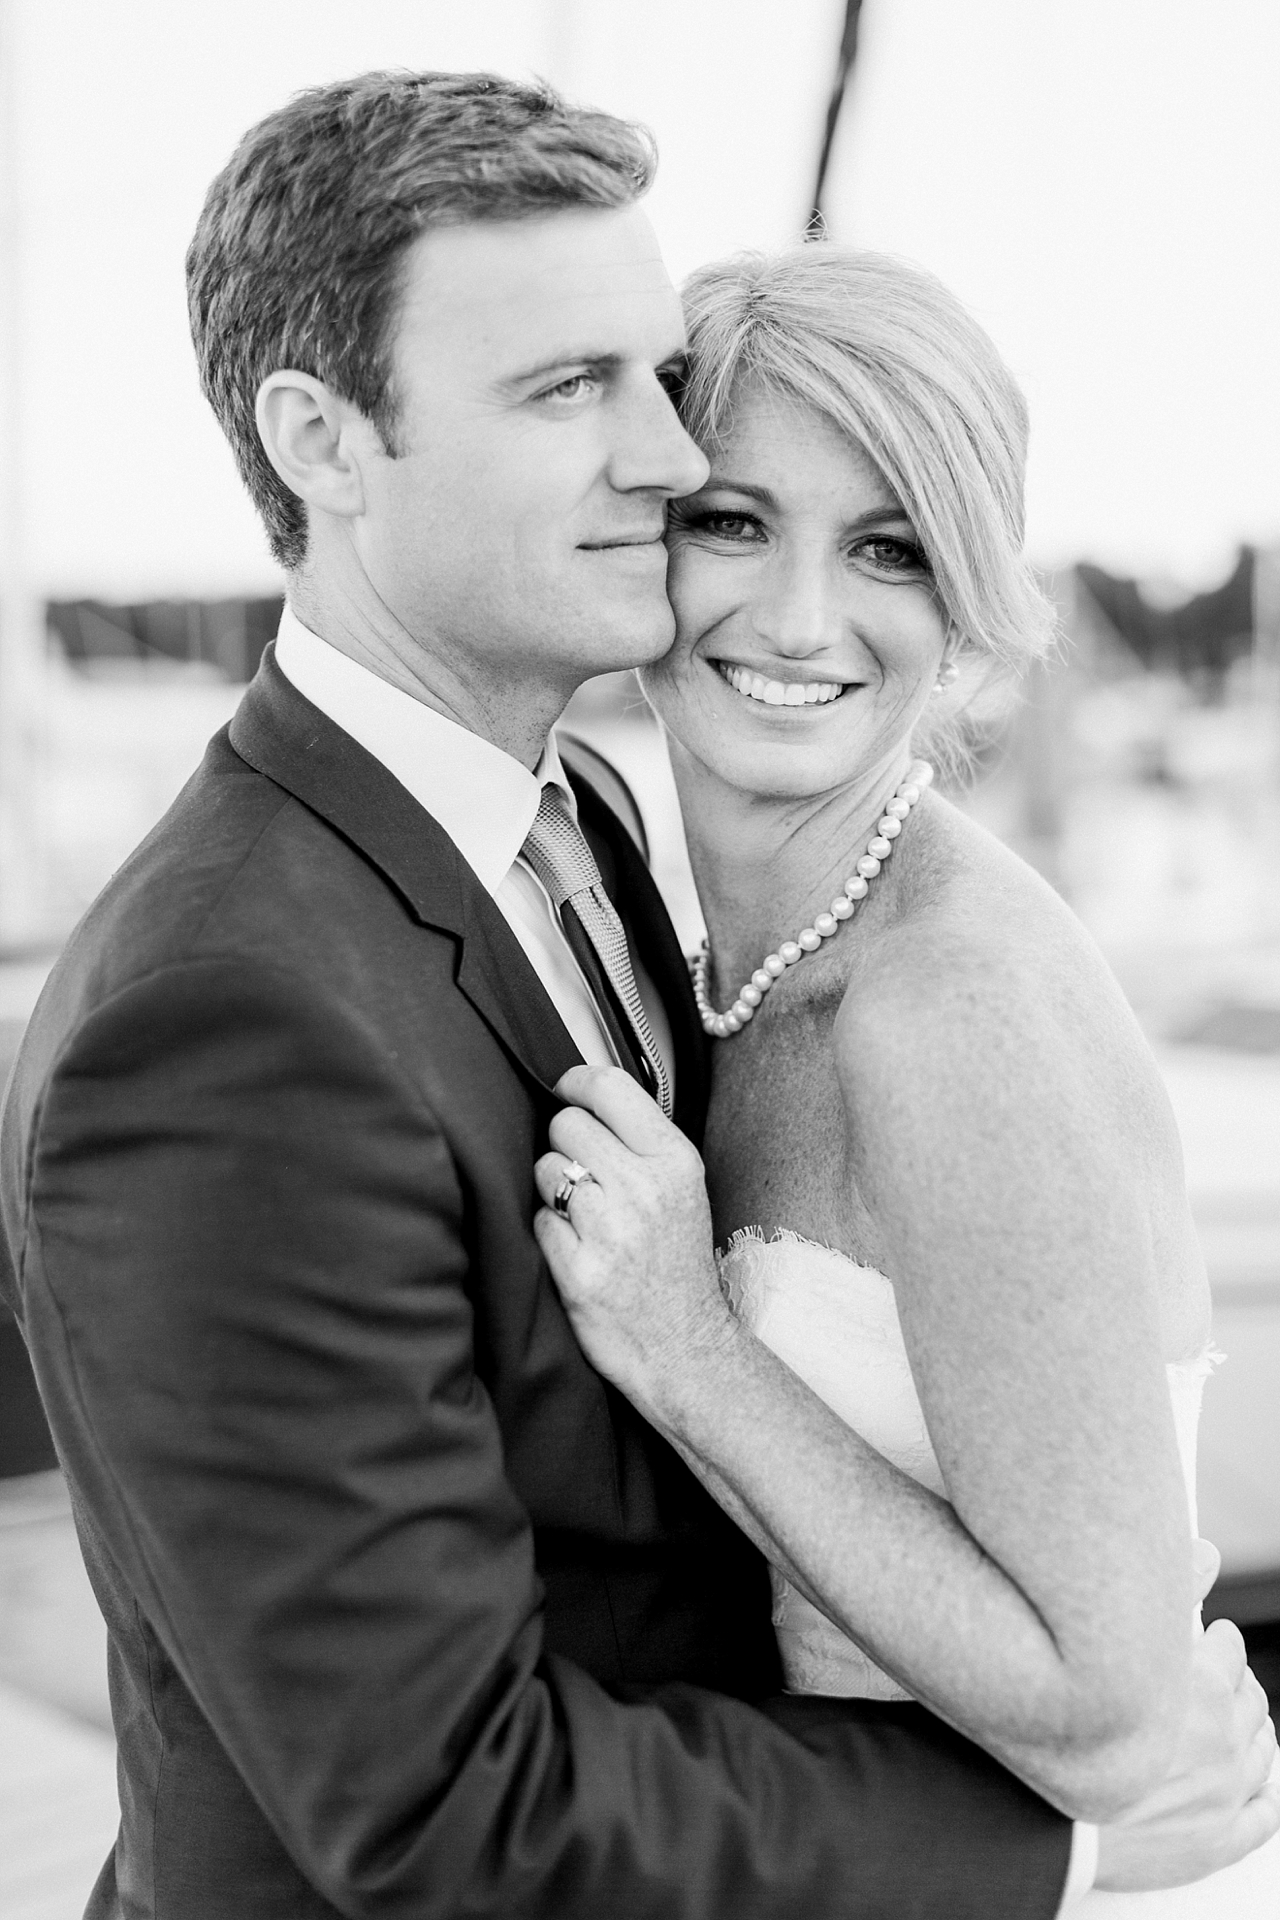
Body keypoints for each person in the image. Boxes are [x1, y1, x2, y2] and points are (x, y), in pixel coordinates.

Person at [0, 71, 1268, 1920]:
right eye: (568, 389)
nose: (663, 461)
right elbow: (444, 1812)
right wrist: (1051, 1844)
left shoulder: (593, 832)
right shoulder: (225, 1015)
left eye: (650, 377)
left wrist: (695, 1346)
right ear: (322, 438)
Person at [531, 243, 1280, 1912]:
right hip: (860, 1856)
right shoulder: (709, 937)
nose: (799, 620)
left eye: (888, 546)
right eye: (735, 519)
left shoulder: (949, 1005)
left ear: (962, 603)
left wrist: (687, 1347)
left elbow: (1110, 1710)